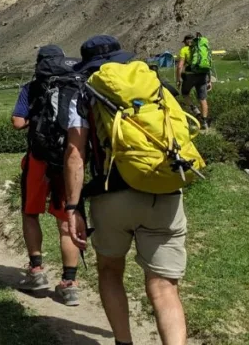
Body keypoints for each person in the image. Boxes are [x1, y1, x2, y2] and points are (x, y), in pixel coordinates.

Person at [65, 35, 189, 345]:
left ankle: (123, 342)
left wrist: (72, 208)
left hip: (112, 195)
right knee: (163, 286)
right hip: (164, 188)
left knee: (109, 271)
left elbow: (75, 155)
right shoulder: (154, 84)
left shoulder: (84, 93)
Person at [10, 45, 82, 305]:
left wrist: (34, 120)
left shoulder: (31, 88)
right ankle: (69, 284)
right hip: (69, 162)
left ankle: (37, 270)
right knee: (66, 223)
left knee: (30, 213)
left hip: (38, 160)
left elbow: (17, 122)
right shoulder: (75, 85)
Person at [176, 34, 211, 128]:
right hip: (203, 75)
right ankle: (204, 122)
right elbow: (207, 64)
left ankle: (195, 111)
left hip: (190, 76)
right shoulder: (202, 48)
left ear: (185, 42)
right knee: (203, 99)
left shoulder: (184, 50)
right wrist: (209, 80)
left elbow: (180, 66)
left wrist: (178, 79)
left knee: (185, 93)